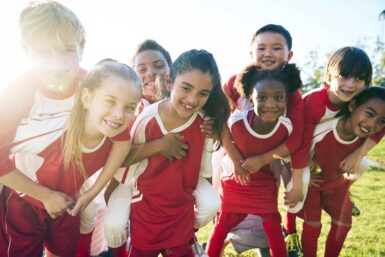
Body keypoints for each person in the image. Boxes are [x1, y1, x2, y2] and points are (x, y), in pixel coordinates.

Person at [0, 59, 142, 257]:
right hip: (24, 205)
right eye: (110, 101)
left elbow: (123, 146)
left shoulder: (115, 139)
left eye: (129, 107)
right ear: (86, 98)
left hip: (66, 206)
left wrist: (89, 194)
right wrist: (45, 196)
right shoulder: (51, 131)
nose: (119, 114)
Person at [104, 42, 221, 257]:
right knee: (114, 223)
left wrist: (214, 131)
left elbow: (204, 171)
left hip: (179, 183)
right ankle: (121, 249)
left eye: (157, 65)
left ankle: (187, 237)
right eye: (142, 69)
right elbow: (123, 162)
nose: (193, 99)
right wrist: (160, 145)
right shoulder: (135, 111)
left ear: (167, 72)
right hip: (134, 178)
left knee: (212, 203)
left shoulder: (201, 119)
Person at [215, 24, 304, 256]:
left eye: (276, 48)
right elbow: (221, 123)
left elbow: (295, 140)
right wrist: (235, 159)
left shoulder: (292, 91)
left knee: (267, 207)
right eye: (261, 47)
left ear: (288, 55)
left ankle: (282, 237)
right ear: (251, 53)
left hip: (273, 159)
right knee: (227, 207)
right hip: (236, 156)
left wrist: (264, 159)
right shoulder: (236, 81)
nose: (268, 53)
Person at [284, 46, 376, 256]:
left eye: (359, 78)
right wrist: (304, 173)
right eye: (344, 76)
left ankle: (346, 189)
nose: (351, 84)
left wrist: (358, 154)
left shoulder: (358, 99)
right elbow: (301, 143)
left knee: (363, 164)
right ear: (329, 75)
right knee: (299, 187)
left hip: (322, 151)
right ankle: (289, 229)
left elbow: (381, 123)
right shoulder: (314, 102)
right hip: (294, 149)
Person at [298, 86, 385, 257]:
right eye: (369, 114)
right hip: (313, 183)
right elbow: (298, 153)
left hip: (336, 183)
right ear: (352, 106)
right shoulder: (323, 130)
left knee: (344, 223)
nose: (373, 124)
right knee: (313, 225)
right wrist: (305, 174)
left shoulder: (365, 135)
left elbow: (380, 130)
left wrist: (359, 155)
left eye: (381, 121)